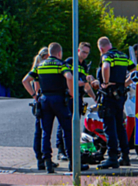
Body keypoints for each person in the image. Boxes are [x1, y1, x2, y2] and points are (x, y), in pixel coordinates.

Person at [22, 42, 88, 173]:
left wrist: (34, 95)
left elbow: (25, 81)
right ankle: (72, 163)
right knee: (68, 131)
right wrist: (71, 93)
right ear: (59, 53)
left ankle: (48, 163)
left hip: (45, 100)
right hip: (59, 100)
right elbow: (69, 76)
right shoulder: (61, 64)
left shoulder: (40, 65)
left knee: (46, 132)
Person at [93, 37, 136, 169]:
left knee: (109, 127)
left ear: (101, 48)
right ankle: (125, 156)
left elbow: (105, 67)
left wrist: (105, 83)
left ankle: (112, 157)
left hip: (109, 95)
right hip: (121, 95)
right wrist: (125, 83)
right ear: (110, 45)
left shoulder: (107, 56)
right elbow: (135, 71)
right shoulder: (123, 56)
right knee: (120, 126)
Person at [55, 41, 96, 160]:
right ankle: (61, 151)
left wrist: (95, 98)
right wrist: (83, 83)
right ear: (78, 50)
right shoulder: (69, 62)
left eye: (87, 53)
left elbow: (87, 86)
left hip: (78, 97)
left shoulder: (84, 65)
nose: (85, 55)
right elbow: (68, 80)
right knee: (64, 124)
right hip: (69, 97)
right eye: (83, 52)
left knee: (75, 124)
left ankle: (72, 151)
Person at [29, 47, 53, 169]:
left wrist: (34, 95)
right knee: (42, 131)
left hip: (39, 101)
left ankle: (40, 159)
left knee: (39, 131)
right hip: (42, 100)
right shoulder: (42, 69)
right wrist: (35, 95)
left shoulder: (36, 68)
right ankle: (42, 158)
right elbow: (35, 85)